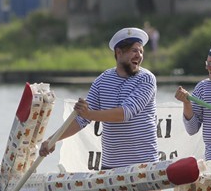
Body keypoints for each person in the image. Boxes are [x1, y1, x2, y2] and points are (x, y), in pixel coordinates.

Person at [39, 26, 158, 172]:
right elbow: (81, 120)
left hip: (144, 167)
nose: (139, 55)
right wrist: (52, 140)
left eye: (141, 51)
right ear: (119, 52)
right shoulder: (102, 81)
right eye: (134, 50)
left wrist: (89, 114)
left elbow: (125, 113)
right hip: (111, 168)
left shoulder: (146, 79)